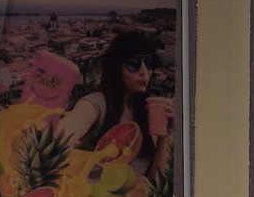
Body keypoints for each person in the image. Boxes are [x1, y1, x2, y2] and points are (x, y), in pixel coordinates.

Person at [58, 30, 174, 179]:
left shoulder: (147, 112)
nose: (144, 72)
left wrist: (165, 133)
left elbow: (155, 180)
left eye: (150, 62)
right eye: (134, 63)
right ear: (116, 67)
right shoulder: (97, 104)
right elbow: (61, 136)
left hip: (135, 194)